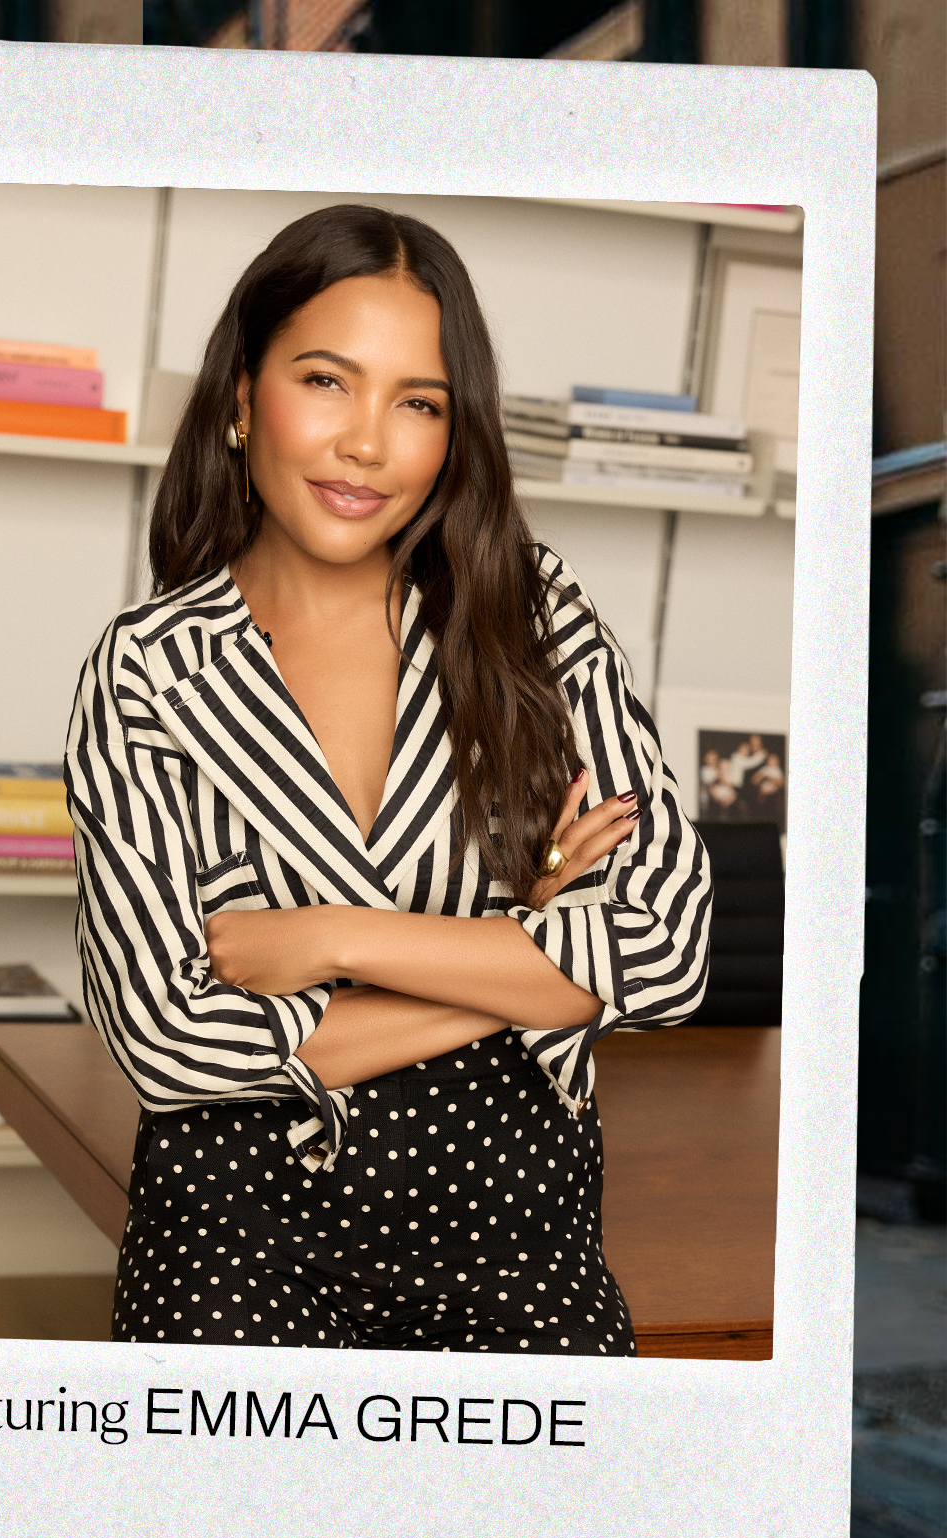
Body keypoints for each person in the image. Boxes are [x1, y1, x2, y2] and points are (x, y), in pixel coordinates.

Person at [68, 203, 714, 1356]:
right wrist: (528, 953)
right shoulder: (147, 671)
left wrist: (329, 937)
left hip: (519, 1237)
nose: (369, 444)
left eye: (418, 403)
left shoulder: (536, 615)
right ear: (237, 398)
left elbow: (665, 952)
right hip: (235, 1241)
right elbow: (170, 1038)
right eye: (327, 381)